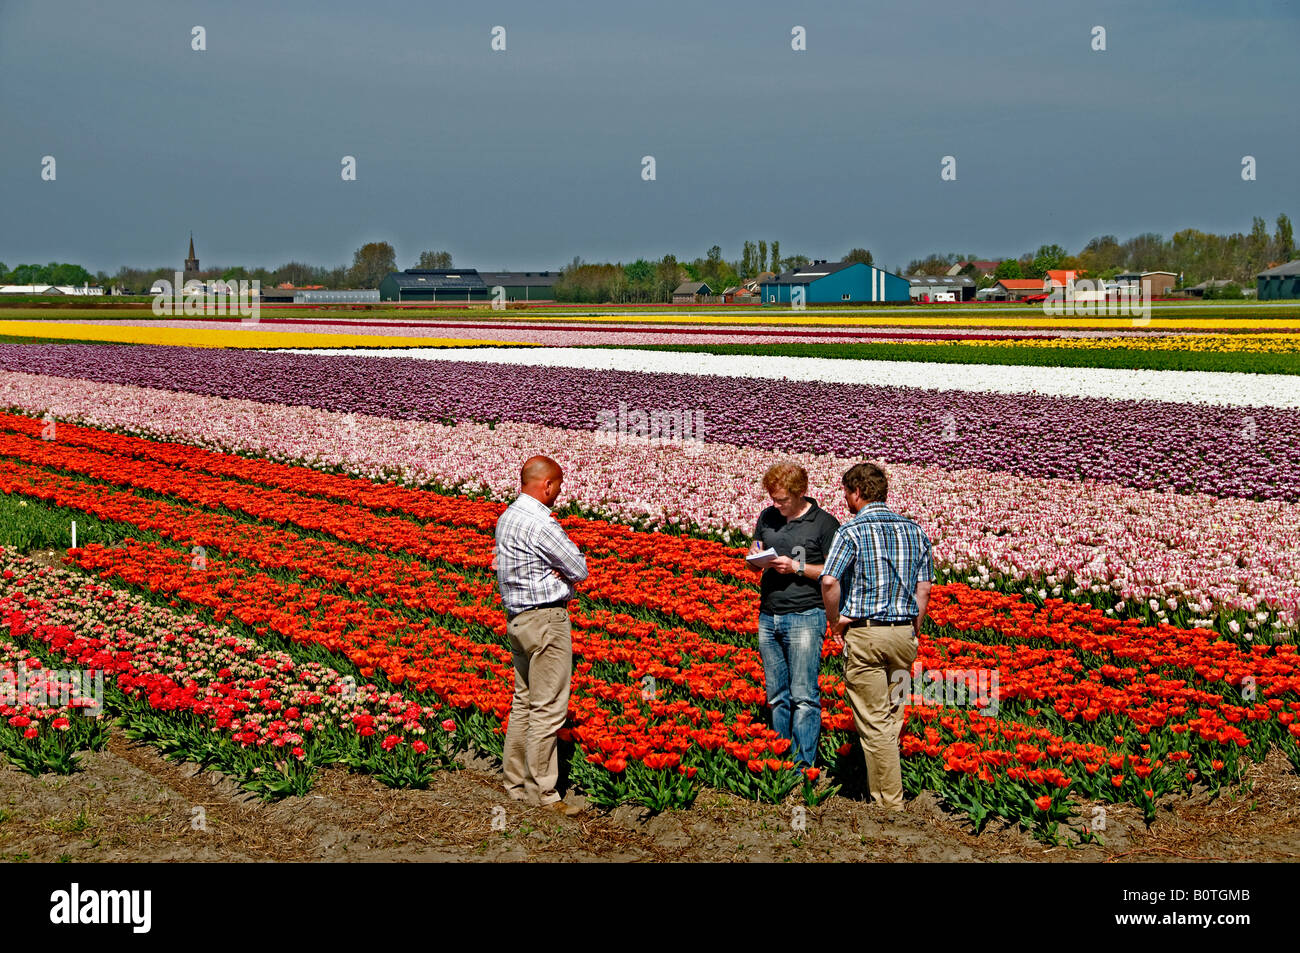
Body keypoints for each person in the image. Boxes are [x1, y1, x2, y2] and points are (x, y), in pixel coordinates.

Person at [819, 462, 933, 811]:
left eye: (846, 493)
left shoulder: (851, 531)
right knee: (893, 715)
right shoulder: (916, 531)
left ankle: (889, 804)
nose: (845, 500)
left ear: (857, 493)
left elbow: (828, 580)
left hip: (867, 635)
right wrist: (914, 627)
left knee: (874, 720)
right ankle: (886, 791)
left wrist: (835, 621)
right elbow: (924, 588)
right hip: (903, 636)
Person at [494, 455, 588, 816]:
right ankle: (542, 793)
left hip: (517, 621)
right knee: (549, 709)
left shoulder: (508, 517)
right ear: (546, 484)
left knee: (524, 702)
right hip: (547, 620)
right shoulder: (541, 523)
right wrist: (558, 577)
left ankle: (514, 783)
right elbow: (578, 569)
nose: (560, 492)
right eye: (559, 485)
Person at [749, 462, 840, 768]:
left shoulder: (824, 524)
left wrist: (797, 567)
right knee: (776, 693)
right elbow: (754, 552)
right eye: (773, 498)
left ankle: (803, 766)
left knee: (803, 694)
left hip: (805, 614)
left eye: (782, 500)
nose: (776, 505)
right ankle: (779, 759)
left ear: (801, 493)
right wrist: (758, 560)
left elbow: (834, 571)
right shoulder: (767, 516)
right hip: (768, 613)